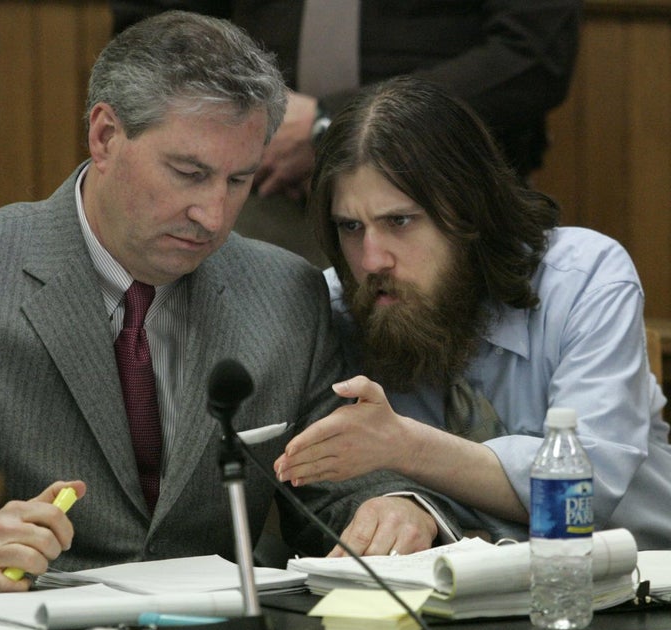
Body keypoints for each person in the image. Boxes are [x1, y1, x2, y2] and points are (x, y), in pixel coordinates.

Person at [0, 14, 459, 593]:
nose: (213, 216)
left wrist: (394, 509)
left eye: (239, 180)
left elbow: (334, 492)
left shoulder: (284, 292)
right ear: (105, 136)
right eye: (188, 174)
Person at [273, 76, 671, 550]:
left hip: (635, 585)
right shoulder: (334, 305)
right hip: (452, 600)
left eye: (399, 221)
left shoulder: (584, 277)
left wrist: (405, 446)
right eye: (351, 227)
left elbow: (577, 498)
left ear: (469, 211)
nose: (372, 258)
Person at [109, 1, 583, 265]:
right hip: (256, 188)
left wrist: (331, 124)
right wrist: (239, 114)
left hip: (442, 194)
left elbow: (533, 57)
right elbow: (155, 26)